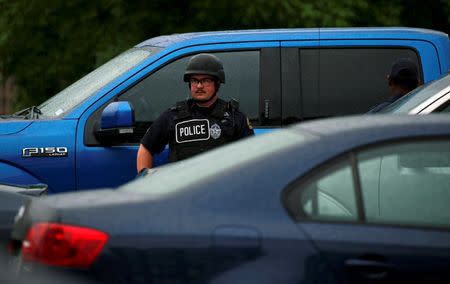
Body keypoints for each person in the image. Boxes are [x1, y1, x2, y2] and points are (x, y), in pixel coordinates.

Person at [136, 53, 254, 174]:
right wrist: (146, 178)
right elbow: (146, 148)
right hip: (184, 189)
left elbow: (253, 158)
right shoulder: (173, 116)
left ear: (217, 83)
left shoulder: (234, 118)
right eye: (194, 80)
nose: (199, 86)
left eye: (205, 81)